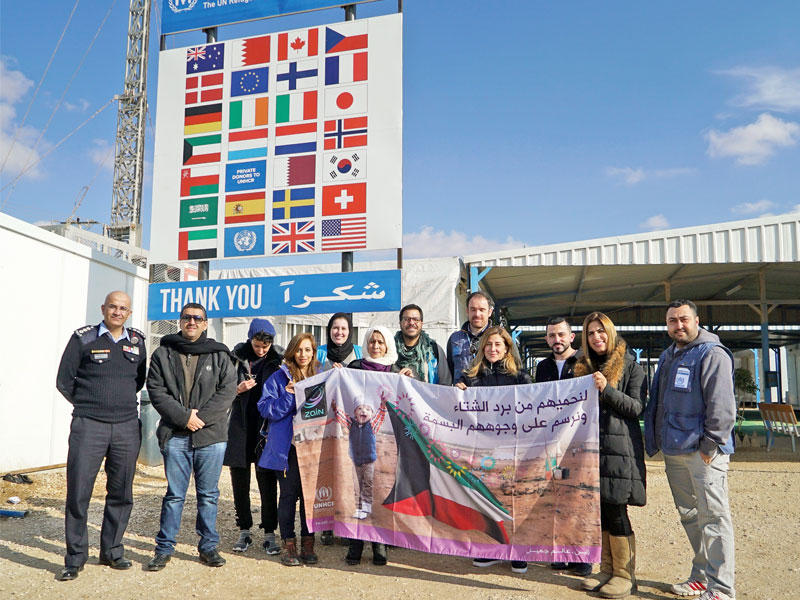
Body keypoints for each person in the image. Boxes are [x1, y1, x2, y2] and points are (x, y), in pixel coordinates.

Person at [643, 300, 736, 600]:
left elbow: (723, 406)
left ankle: (721, 589)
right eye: (672, 320)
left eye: (684, 319)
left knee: (714, 518)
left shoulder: (712, 354)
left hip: (703, 452)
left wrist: (710, 445)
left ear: (697, 320)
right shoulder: (669, 355)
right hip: (674, 450)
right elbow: (659, 402)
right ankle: (701, 575)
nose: (678, 325)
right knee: (691, 516)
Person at [55, 291, 146, 581]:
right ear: (103, 308)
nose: (117, 312)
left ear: (129, 313)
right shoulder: (83, 339)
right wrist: (88, 405)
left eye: (123, 308)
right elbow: (64, 380)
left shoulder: (137, 342)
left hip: (126, 427)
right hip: (89, 426)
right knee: (79, 492)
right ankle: (75, 558)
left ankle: (112, 551)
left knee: (121, 492)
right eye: (113, 307)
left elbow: (138, 380)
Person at [145, 303, 237, 571]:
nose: (192, 322)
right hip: (175, 435)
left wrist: (200, 418)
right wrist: (184, 417)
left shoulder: (219, 354)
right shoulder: (163, 353)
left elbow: (227, 391)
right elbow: (156, 390)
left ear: (205, 323)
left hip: (211, 436)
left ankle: (208, 547)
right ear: (180, 321)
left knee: (208, 495)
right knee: (175, 495)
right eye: (187, 317)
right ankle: (164, 549)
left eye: (198, 318)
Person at [574, 312, 646, 599]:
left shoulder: (631, 368)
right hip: (591, 450)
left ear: (610, 333)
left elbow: (636, 407)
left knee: (616, 510)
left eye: (601, 331)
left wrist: (606, 389)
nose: (596, 337)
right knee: (601, 510)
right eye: (591, 333)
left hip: (619, 450)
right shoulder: (580, 368)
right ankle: (606, 569)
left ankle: (625, 575)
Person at [455, 326, 531, 575]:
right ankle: (488, 548)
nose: (493, 349)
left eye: (498, 344)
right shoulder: (471, 376)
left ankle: (517, 551)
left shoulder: (520, 377)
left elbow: (532, 408)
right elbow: (456, 404)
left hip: (512, 448)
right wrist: (458, 391)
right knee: (485, 497)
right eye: (488, 344)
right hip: (483, 448)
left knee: (513, 498)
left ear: (507, 348)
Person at [336, 325, 412, 566]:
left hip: (386, 449)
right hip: (355, 450)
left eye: (380, 342)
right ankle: (356, 543)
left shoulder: (395, 370)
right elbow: (342, 399)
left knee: (380, 491)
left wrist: (410, 381)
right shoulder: (355, 367)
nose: (376, 346)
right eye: (372, 341)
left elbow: (405, 403)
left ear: (387, 345)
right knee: (356, 492)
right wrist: (336, 375)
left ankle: (380, 543)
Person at [534, 317, 592, 577]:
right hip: (551, 443)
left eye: (561, 334)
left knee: (578, 497)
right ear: (547, 339)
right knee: (554, 496)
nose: (556, 340)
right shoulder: (543, 367)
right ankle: (559, 551)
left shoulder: (585, 363)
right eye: (551, 335)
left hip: (579, 441)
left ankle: (581, 556)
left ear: (571, 337)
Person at [257, 332, 320, 567]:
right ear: (292, 351)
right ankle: (289, 544)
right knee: (288, 496)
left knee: (309, 498)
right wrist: (289, 396)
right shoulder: (278, 377)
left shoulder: (319, 377)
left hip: (312, 448)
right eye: (299, 349)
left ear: (313, 353)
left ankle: (308, 543)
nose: (303, 354)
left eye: (308, 350)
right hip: (287, 449)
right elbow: (265, 408)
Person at [225, 318, 282, 555]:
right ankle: (244, 530)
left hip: (265, 427)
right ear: (250, 339)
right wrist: (236, 389)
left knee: (267, 480)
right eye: (257, 345)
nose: (261, 350)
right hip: (240, 425)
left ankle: (269, 532)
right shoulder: (235, 357)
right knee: (240, 480)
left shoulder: (278, 360)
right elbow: (221, 388)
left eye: (265, 346)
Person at [394, 304, 452, 384]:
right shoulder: (390, 348)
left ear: (421, 323)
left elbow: (445, 382)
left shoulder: (433, 349)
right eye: (406, 319)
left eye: (416, 319)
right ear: (400, 323)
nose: (411, 323)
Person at [447, 290, 494, 383]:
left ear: (489, 312)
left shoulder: (499, 338)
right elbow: (449, 373)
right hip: (462, 391)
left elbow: (512, 370)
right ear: (467, 311)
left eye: (482, 310)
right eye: (473, 309)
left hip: (490, 391)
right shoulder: (454, 339)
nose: (477, 314)